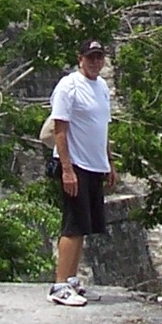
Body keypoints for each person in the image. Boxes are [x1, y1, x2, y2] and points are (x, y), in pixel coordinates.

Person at [48, 38, 115, 307]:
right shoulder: (69, 86)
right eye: (91, 58)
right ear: (80, 59)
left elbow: (103, 128)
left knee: (85, 225)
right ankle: (60, 284)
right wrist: (66, 169)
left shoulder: (101, 87)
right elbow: (60, 129)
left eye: (99, 57)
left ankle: (72, 279)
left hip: (94, 164)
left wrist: (109, 162)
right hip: (75, 164)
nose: (95, 62)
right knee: (73, 225)